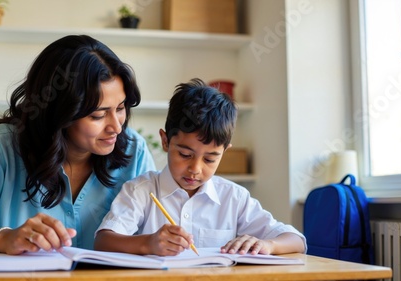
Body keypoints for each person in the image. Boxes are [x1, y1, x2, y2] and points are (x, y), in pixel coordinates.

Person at [0, 35, 156, 258]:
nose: (116, 127)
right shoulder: (2, 150)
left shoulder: (134, 152)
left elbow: (156, 237)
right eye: (98, 115)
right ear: (60, 114)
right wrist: (2, 238)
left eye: (121, 108)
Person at [94, 78, 306, 256]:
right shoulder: (142, 190)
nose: (195, 168)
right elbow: (103, 241)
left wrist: (268, 244)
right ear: (165, 141)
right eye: (185, 154)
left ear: (225, 152)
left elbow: (296, 240)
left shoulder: (234, 198)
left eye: (210, 159)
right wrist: (147, 243)